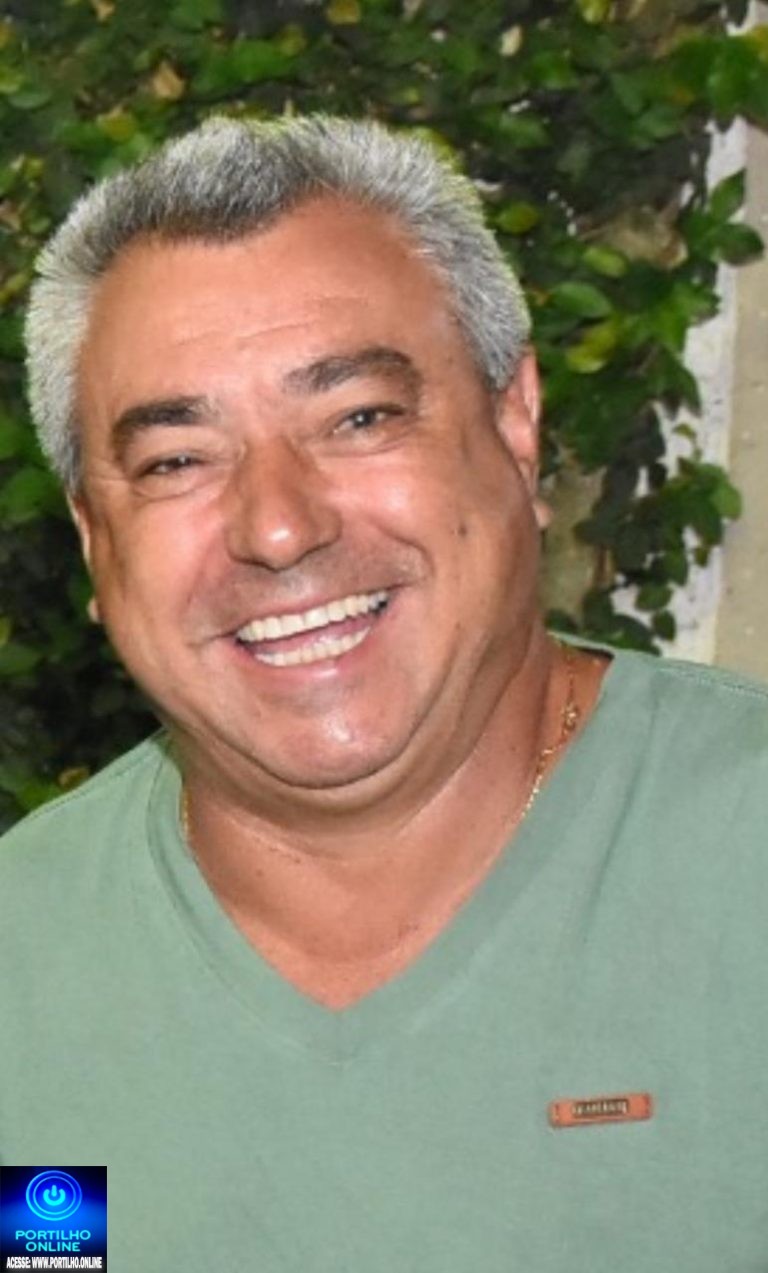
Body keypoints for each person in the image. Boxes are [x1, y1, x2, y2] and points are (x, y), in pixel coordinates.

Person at [2, 114, 767, 1272]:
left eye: (358, 417)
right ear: (92, 536)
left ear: (515, 424)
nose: (277, 526)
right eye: (176, 461)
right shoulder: (25, 963)